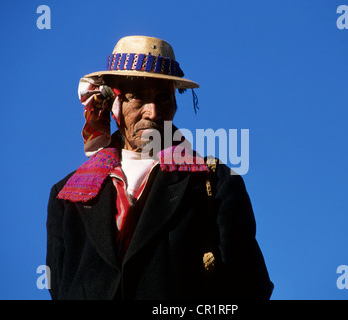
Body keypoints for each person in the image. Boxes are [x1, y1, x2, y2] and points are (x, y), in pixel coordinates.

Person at [46, 35, 274, 300]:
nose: (153, 112)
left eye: (163, 98)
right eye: (138, 98)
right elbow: (59, 287)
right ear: (112, 104)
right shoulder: (67, 194)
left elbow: (250, 286)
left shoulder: (215, 182)